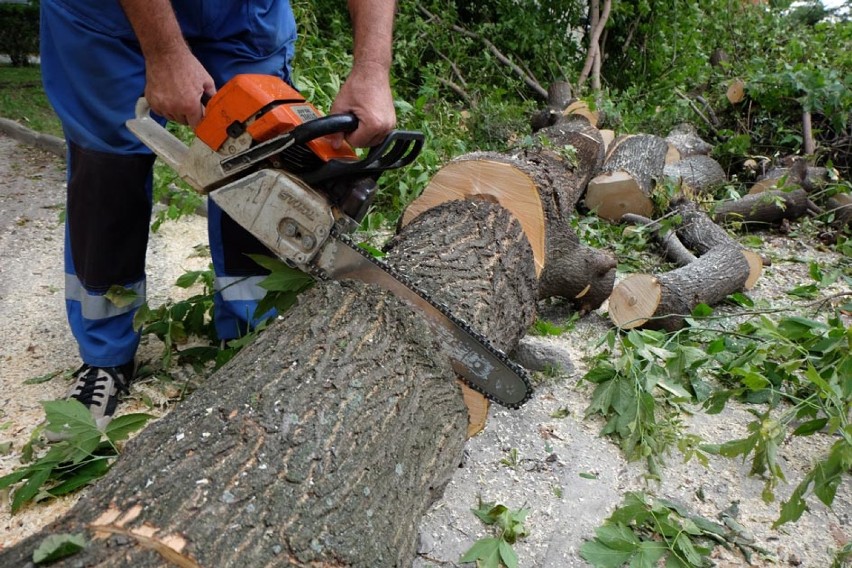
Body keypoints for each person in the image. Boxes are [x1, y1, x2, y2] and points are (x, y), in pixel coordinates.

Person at [40, 0, 397, 437]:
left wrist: (372, 68)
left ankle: (250, 336)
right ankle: (104, 356)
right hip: (105, 17)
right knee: (108, 169)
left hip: (242, 13)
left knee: (259, 148)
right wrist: (165, 52)